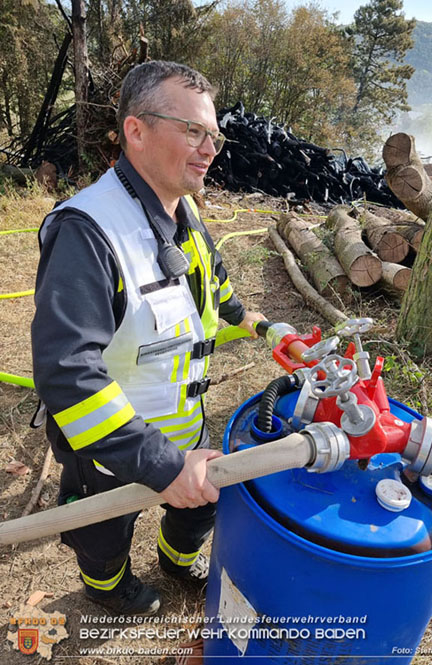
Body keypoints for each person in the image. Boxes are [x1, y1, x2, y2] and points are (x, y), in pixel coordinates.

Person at [31, 60, 265, 616]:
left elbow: (216, 286)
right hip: (116, 450)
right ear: (135, 130)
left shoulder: (183, 209)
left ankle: (177, 562)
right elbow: (67, 372)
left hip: (187, 427)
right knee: (104, 532)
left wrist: (260, 323)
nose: (209, 147)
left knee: (196, 510)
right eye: (192, 130)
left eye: (214, 134)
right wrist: (162, 467)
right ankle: (109, 589)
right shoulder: (87, 231)